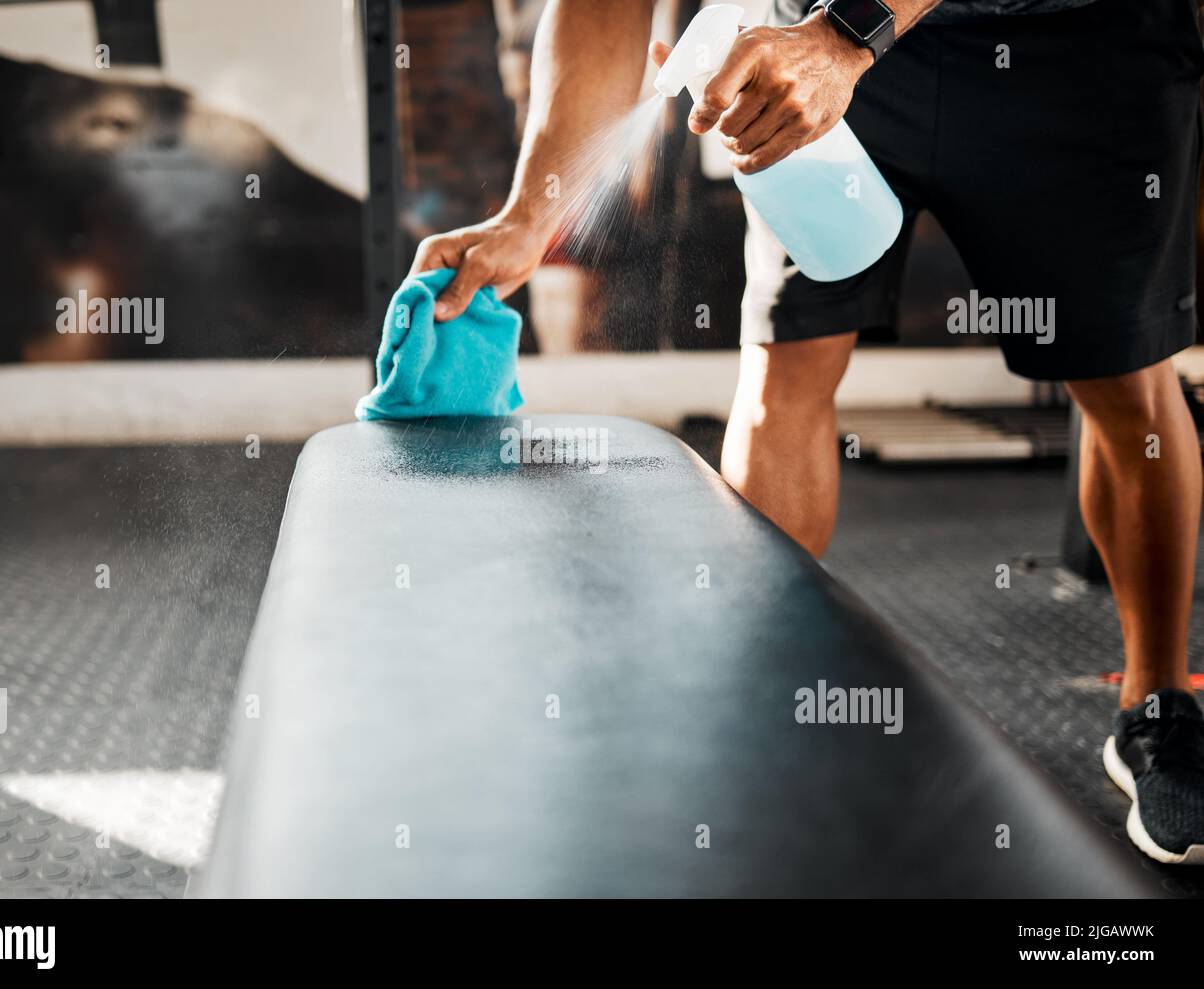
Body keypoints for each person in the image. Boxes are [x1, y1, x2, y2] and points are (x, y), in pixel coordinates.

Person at [411, 0, 1204, 864]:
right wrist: (532, 213)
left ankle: (1158, 703)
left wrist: (849, 35)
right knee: (786, 359)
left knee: (1123, 377)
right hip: (820, 33)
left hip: (1072, 47)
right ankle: (762, 697)